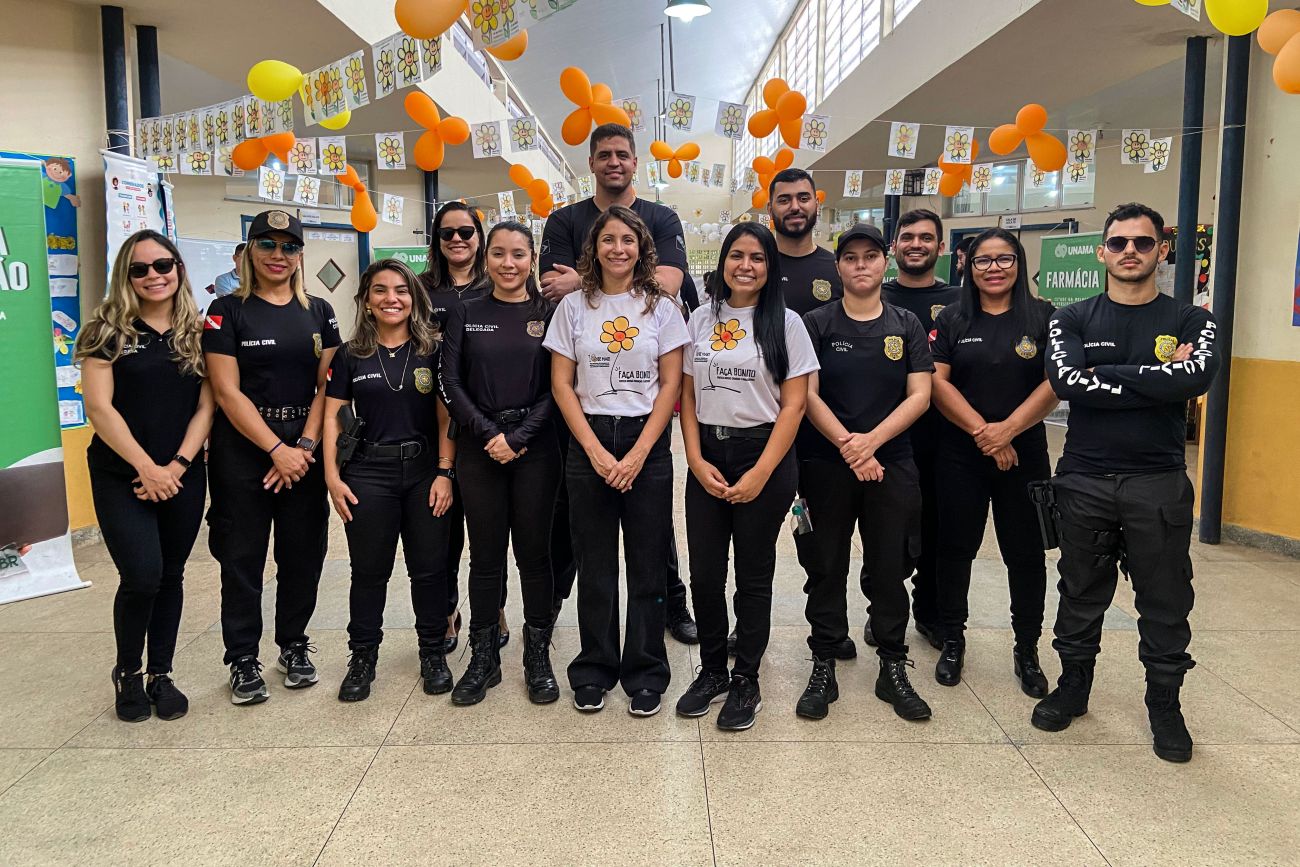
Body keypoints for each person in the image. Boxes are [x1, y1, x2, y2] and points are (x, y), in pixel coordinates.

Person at [1034, 203, 1219, 763]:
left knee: (1165, 598)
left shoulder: (1192, 320)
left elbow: (1197, 376)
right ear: (1102, 252)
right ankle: (1073, 686)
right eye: (1118, 243)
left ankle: (1165, 703)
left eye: (1142, 242)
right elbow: (1067, 381)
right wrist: (1157, 379)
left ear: (1161, 249)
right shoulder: (1071, 318)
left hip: (1157, 482)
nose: (1130, 251)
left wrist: (1107, 375)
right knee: (1080, 590)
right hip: (1084, 479)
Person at [539, 122, 697, 644]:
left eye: (622, 154)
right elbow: (552, 286)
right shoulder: (564, 220)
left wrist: (590, 281)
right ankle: (563, 617)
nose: (613, 162)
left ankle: (670, 604)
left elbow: (670, 281)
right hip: (584, 408)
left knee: (651, 535)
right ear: (590, 162)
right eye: (604, 154)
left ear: (634, 162)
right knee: (584, 529)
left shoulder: (662, 217)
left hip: (643, 421)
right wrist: (598, 285)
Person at [546, 206, 689, 717]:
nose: (618, 249)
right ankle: (594, 667)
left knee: (648, 565)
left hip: (644, 441)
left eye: (628, 240)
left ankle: (646, 671)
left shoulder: (661, 308)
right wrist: (594, 450)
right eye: (608, 240)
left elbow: (671, 385)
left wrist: (638, 454)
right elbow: (562, 384)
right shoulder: (573, 307)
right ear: (594, 248)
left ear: (642, 247)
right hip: (589, 440)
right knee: (595, 565)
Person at [675, 223, 818, 731]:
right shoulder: (700, 318)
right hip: (708, 453)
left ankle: (746, 679)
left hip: (765, 454)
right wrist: (694, 459)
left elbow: (795, 405)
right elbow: (686, 395)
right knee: (705, 573)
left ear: (769, 266)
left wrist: (761, 471)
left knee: (753, 574)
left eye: (757, 257)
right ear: (723, 262)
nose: (746, 266)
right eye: (737, 255)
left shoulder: (787, 324)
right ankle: (713, 670)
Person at [793, 223, 934, 723]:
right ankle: (824, 661)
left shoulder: (905, 324)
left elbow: (921, 394)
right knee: (824, 564)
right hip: (824, 464)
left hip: (891, 464)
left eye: (870, 256)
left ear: (884, 262)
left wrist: (870, 443)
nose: (860, 265)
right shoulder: (815, 323)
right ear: (838, 267)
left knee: (891, 566)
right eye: (850, 258)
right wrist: (849, 447)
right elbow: (805, 395)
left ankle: (892, 665)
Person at [76, 230, 214, 722]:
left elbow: (207, 406)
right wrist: (146, 468)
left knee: (171, 575)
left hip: (181, 473)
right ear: (126, 276)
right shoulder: (106, 332)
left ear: (178, 268)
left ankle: (161, 673)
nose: (154, 276)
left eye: (163, 265)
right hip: (122, 474)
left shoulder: (200, 332)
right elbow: (99, 408)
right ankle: (128, 672)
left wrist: (176, 466)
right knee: (141, 575)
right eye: (140, 269)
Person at [203, 209, 339, 705]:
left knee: (303, 554)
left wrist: (302, 447)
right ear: (249, 251)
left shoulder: (320, 311)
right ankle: (242, 656)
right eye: (267, 244)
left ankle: (293, 644)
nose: (278, 255)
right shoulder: (226, 310)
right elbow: (226, 390)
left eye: (289, 247)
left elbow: (328, 386)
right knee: (241, 556)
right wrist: (276, 450)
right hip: (245, 449)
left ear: (300, 254)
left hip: (303, 446)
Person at [930, 228, 1058, 696]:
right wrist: (985, 433)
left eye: (1004, 259)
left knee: (1025, 555)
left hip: (1025, 454)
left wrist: (1008, 431)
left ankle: (1027, 648)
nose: (994, 269)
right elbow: (937, 383)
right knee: (954, 549)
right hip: (960, 452)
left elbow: (1054, 382)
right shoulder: (952, 317)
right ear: (968, 266)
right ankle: (952, 640)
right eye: (983, 260)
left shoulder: (1045, 317)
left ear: (1019, 263)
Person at [323, 259, 456, 702]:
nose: (391, 299)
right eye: (380, 290)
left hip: (423, 473)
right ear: (366, 301)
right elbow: (332, 418)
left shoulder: (432, 350)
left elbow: (445, 418)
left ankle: (433, 653)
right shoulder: (349, 354)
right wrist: (332, 478)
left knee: (430, 570)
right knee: (368, 572)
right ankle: (362, 657)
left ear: (413, 299)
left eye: (401, 290)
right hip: (367, 474)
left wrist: (445, 472)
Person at [439, 221, 561, 706]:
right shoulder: (465, 311)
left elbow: (561, 385)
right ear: (486, 258)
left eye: (518, 254)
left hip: (536, 448)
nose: (508, 264)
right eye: (498, 254)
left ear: (532, 260)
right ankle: (483, 656)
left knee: (535, 555)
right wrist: (490, 435)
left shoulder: (550, 313)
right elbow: (450, 382)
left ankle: (537, 656)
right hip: (480, 447)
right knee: (486, 556)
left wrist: (520, 437)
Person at [417, 201, 508, 654]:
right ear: (436, 239)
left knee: (490, 528)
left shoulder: (498, 285)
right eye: (447, 232)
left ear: (479, 238)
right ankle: (447, 609)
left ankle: (494, 607)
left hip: (483, 422)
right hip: (429, 417)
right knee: (443, 528)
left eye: (466, 232)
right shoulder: (420, 289)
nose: (457, 239)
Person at [876, 209, 961, 650]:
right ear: (893, 246)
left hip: (944, 437)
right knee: (886, 533)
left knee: (938, 528)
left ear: (940, 247)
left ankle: (931, 613)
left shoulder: (960, 300)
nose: (916, 245)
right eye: (907, 237)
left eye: (926, 238)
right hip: (887, 437)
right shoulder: (876, 294)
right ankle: (882, 612)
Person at [767, 168, 842, 316]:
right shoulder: (757, 267)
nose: (795, 207)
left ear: (817, 205)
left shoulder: (838, 269)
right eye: (784, 200)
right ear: (770, 209)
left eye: (803, 199)